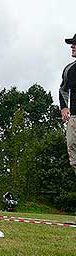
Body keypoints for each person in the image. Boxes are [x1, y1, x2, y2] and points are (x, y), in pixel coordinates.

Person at [60, 33, 76, 172]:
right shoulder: (69, 70)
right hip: (74, 119)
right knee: (74, 156)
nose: (72, 46)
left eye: (75, 43)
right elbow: (63, 89)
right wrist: (64, 107)